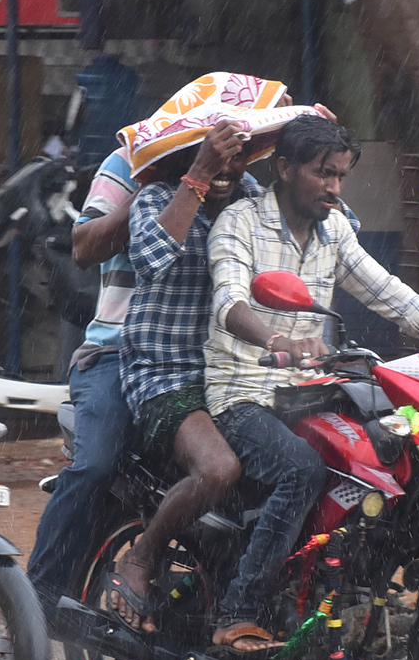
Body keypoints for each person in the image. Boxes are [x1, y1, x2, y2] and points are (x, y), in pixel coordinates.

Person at [25, 73, 295, 626]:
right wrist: (173, 179)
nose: (229, 167)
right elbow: (83, 246)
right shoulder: (129, 167)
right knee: (96, 465)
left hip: (213, 364)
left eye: (237, 151)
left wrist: (300, 155)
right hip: (119, 354)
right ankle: (32, 607)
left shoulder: (242, 189)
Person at [204, 114, 419, 652]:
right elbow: (230, 301)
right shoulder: (239, 223)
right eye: (324, 174)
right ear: (285, 168)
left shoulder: (333, 228)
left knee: (392, 455)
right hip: (242, 391)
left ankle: (347, 587)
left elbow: (387, 291)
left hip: (310, 391)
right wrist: (278, 341)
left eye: (341, 175)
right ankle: (238, 612)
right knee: (301, 470)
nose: (335, 187)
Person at [111, 91, 331, 632]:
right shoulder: (156, 197)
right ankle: (143, 554)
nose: (232, 168)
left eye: (240, 155)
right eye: (219, 155)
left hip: (242, 372)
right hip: (167, 375)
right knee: (219, 468)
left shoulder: (252, 198)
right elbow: (151, 260)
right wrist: (199, 175)